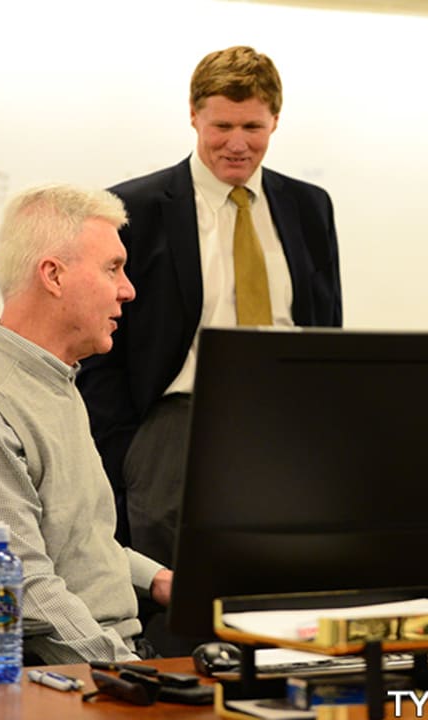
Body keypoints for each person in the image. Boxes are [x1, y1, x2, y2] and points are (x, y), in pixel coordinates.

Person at [77, 46, 343, 565]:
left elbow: (326, 327)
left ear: (275, 121)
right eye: (222, 125)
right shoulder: (137, 208)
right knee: (176, 592)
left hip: (285, 423)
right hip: (177, 425)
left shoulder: (310, 206)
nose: (238, 144)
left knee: (280, 574)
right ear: (193, 114)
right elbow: (103, 343)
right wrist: (125, 447)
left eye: (253, 127)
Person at [0, 184, 173, 664]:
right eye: (113, 268)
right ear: (53, 275)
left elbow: (72, 539)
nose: (128, 289)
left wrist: (155, 578)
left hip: (99, 653)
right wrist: (136, 676)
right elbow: (19, 589)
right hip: (39, 672)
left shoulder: (53, 381)